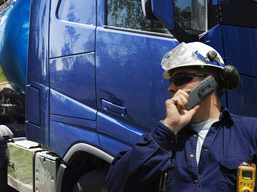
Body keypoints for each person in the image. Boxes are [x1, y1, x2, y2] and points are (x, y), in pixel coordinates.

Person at [106, 42, 257, 192]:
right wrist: (168, 129)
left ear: (208, 83)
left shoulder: (250, 132)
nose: (170, 88)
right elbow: (117, 186)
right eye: (171, 82)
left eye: (180, 80)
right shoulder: (163, 140)